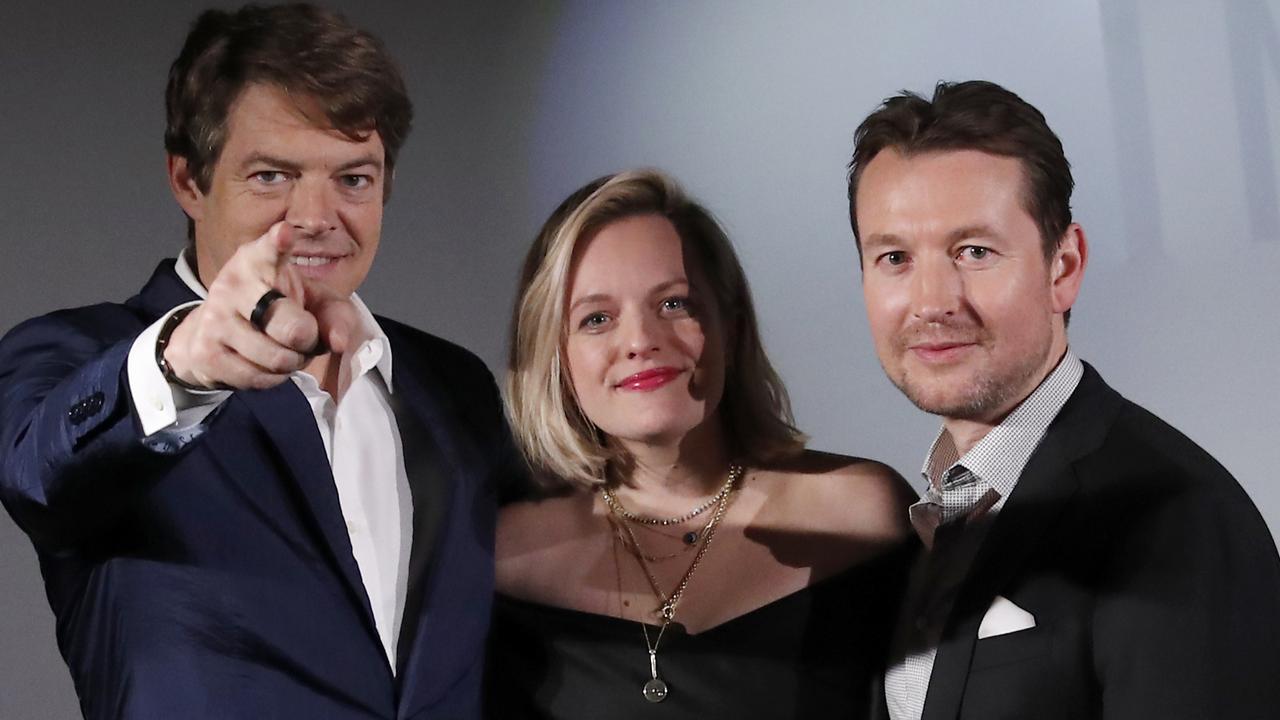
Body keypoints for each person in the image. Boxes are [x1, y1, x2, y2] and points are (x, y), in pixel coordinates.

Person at [0, 5, 515, 718]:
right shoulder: (76, 354)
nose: (316, 215)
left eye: (354, 179)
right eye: (272, 176)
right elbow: (40, 476)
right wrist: (187, 361)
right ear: (188, 181)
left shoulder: (452, 385)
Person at [846, 79, 1280, 720]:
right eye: (894, 257)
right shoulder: (922, 525)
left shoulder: (1175, 520)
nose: (932, 301)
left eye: (974, 251)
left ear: (1064, 265)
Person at [485, 169, 916, 719]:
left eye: (674, 304)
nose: (640, 341)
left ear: (731, 328)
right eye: (597, 319)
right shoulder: (498, 551)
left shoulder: (862, 512)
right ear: (555, 356)